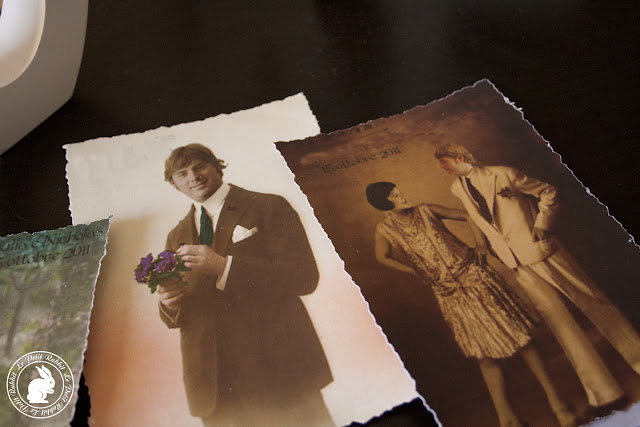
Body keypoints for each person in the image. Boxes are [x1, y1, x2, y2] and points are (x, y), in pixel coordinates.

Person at [435, 142, 640, 414]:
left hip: (542, 249)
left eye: (444, 162)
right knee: (560, 324)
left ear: (459, 157)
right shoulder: (457, 188)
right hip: (515, 261)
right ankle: (603, 393)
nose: (443, 168)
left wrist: (543, 225)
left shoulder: (503, 173)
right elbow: (483, 221)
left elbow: (547, 191)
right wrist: (489, 248)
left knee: (594, 303)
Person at [366, 182, 576, 427]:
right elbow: (382, 257)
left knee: (522, 341)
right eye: (395, 195)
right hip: (449, 293)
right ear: (384, 202)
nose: (402, 196)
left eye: (399, 191)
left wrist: (481, 245)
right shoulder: (385, 230)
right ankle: (508, 420)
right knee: (483, 355)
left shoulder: (426, 210)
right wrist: (416, 272)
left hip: (476, 276)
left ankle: (558, 405)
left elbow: (467, 215)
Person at [156, 143, 333, 426]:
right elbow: (181, 309)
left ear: (217, 166)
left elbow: (304, 277)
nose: (193, 177)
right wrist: (169, 305)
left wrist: (224, 267)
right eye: (182, 173)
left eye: (200, 166)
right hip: (213, 383)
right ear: (174, 183)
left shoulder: (268, 206)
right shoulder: (176, 235)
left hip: (276, 369)